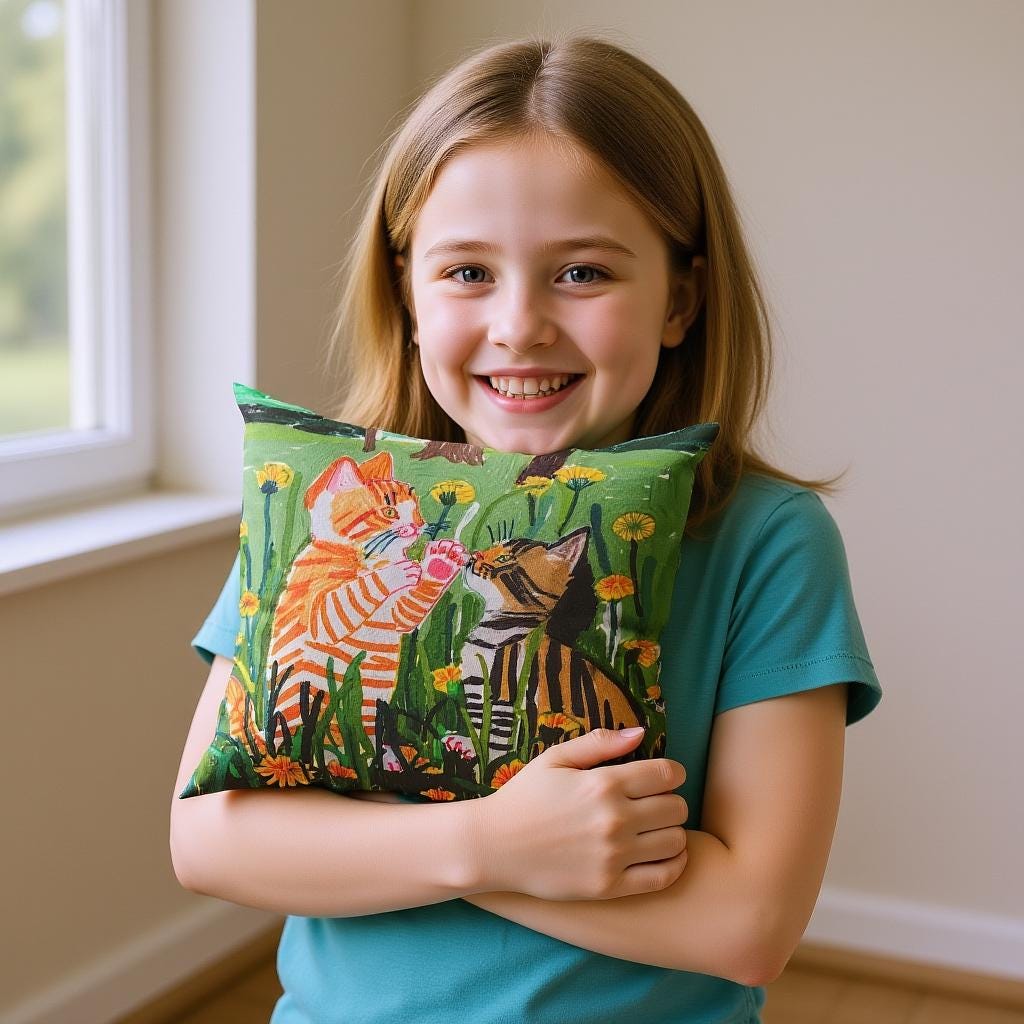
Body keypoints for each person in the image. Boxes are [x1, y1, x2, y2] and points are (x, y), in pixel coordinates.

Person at [170, 33, 882, 1024]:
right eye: (466, 272)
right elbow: (210, 840)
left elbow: (746, 921)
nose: (519, 324)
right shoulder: (329, 505)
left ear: (680, 296)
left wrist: (368, 832)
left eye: (582, 273)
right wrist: (493, 842)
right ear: (409, 294)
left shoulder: (766, 539)